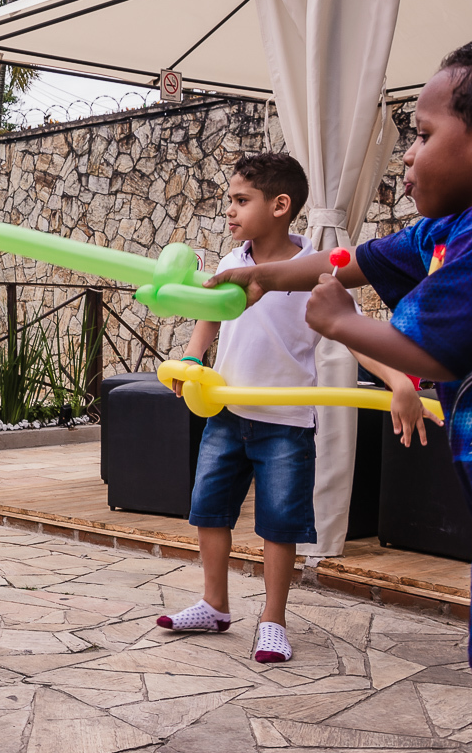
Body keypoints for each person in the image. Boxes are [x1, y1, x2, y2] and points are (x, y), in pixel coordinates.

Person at [207, 39, 472, 694]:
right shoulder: (440, 231)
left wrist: (342, 323)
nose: (409, 156)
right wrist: (268, 275)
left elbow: (430, 354)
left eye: (420, 135)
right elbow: (348, 262)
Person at [157, 153, 433, 663]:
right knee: (208, 511)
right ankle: (215, 604)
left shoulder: (318, 274)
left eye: (242, 201)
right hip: (225, 412)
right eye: (230, 201)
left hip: (286, 423)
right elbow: (207, 320)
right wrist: (192, 361)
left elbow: (354, 338)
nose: (230, 212)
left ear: (281, 205)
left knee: (280, 524)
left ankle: (272, 621)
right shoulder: (230, 265)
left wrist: (399, 381)